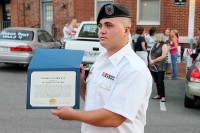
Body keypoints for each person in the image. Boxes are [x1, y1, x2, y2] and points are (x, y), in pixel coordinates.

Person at [51, 3, 152, 133]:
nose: (102, 30)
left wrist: (73, 115)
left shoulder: (133, 68)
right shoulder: (101, 59)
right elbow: (94, 99)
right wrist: (81, 83)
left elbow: (114, 118)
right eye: (100, 26)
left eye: (109, 25)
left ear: (126, 30)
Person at [149, 33, 168, 102]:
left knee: (160, 81)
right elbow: (150, 53)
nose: (154, 38)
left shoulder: (164, 45)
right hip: (153, 66)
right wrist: (150, 60)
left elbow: (163, 56)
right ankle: (158, 94)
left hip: (160, 66)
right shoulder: (154, 45)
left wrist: (154, 60)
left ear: (159, 38)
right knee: (156, 81)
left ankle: (163, 96)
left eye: (155, 37)